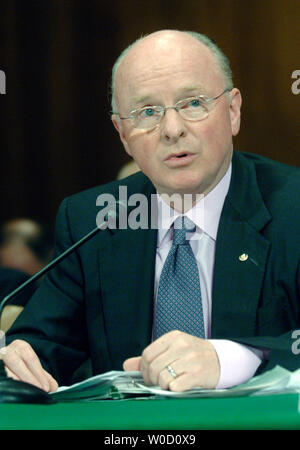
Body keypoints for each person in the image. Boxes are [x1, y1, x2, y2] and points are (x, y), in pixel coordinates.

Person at [2, 30, 300, 393]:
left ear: (233, 111)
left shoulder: (292, 207)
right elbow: (40, 348)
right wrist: (20, 360)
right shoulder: (94, 219)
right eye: (147, 112)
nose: (172, 130)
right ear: (123, 133)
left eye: (193, 103)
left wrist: (235, 358)